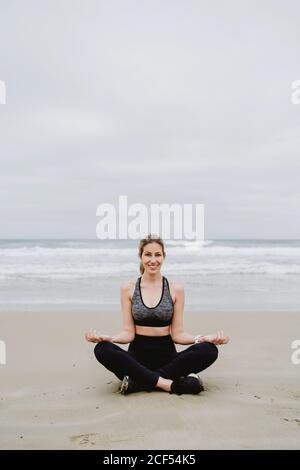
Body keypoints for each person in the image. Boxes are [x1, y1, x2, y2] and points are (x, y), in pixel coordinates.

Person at [85, 234, 229, 395]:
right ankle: (170, 384)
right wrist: (109, 338)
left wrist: (202, 338)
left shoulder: (176, 289)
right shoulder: (128, 288)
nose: (153, 260)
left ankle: (138, 382)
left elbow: (178, 334)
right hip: (136, 359)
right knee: (102, 349)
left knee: (209, 350)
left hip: (168, 358)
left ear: (163, 257)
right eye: (148, 254)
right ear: (140, 256)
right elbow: (128, 333)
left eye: (157, 254)